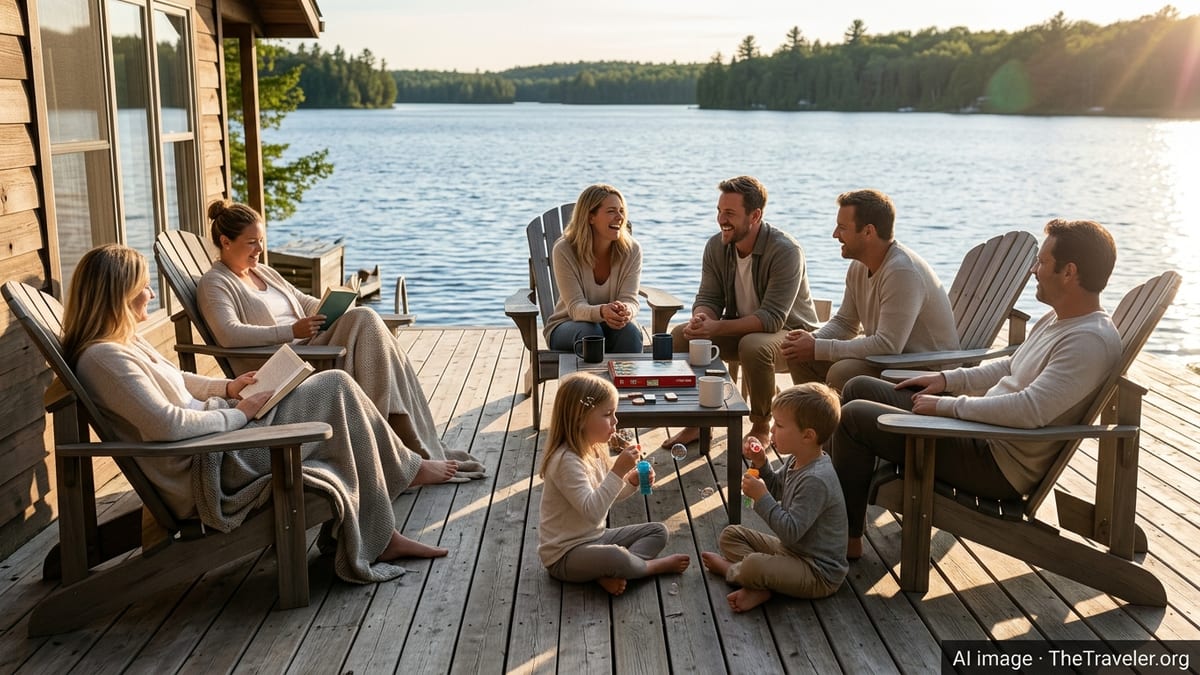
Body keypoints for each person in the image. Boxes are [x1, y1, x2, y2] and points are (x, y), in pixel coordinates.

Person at [62, 244, 461, 584]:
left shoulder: (121, 343)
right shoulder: (104, 358)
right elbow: (169, 424)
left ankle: (390, 507)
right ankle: (393, 501)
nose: (150, 293)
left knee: (334, 392)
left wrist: (227, 389)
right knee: (335, 387)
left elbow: (177, 378)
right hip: (215, 467)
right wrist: (241, 413)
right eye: (141, 287)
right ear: (115, 295)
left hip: (220, 440)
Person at [831, 219, 1122, 559]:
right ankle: (827, 502)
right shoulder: (1060, 319)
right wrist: (946, 381)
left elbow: (1030, 410)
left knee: (853, 418)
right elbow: (1011, 366)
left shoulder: (1088, 341)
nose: (1033, 270)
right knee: (858, 386)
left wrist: (946, 407)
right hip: (976, 433)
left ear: (1069, 272)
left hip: (995, 462)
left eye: (1042, 262)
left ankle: (843, 538)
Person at [196, 200, 483, 479]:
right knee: (366, 320)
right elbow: (229, 334)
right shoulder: (216, 282)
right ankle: (399, 453)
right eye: (251, 242)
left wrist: (333, 303)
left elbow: (302, 301)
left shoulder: (263, 272)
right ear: (226, 241)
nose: (260, 249)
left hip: (309, 351)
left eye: (261, 240)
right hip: (281, 368)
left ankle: (413, 447)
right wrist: (291, 332)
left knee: (366, 322)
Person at [663, 176, 820, 448]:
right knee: (682, 336)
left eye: (730, 214)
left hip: (790, 336)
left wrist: (717, 328)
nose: (721, 219)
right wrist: (702, 319)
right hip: (740, 329)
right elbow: (708, 297)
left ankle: (761, 424)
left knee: (754, 345)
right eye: (719, 211)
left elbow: (772, 319)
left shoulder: (785, 251)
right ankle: (697, 423)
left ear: (755, 215)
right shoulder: (716, 246)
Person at [782, 189, 959, 391]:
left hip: (925, 373)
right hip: (891, 362)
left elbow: (887, 345)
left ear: (868, 231)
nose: (835, 234)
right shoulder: (860, 265)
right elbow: (845, 323)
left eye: (842, 228)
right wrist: (811, 340)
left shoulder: (901, 271)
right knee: (799, 356)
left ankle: (835, 421)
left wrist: (818, 348)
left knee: (843, 372)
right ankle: (813, 419)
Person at [537, 373, 691, 595]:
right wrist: (618, 470)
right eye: (608, 414)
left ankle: (610, 572)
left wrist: (631, 481)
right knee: (615, 555)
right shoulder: (565, 461)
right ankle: (648, 567)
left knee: (658, 531)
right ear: (580, 418)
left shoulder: (593, 450)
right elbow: (593, 512)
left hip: (595, 538)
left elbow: (607, 494)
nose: (615, 421)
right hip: (564, 555)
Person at [701, 383, 848, 612]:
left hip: (817, 572)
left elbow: (790, 532)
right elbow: (778, 488)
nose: (771, 431)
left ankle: (735, 572)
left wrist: (761, 498)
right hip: (790, 552)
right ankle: (762, 582)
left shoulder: (816, 479)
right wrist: (762, 464)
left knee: (753, 564)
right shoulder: (797, 459)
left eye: (778, 425)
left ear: (807, 435)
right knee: (731, 534)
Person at [544, 184, 643, 354]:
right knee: (592, 334)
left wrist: (626, 311)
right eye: (611, 211)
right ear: (591, 217)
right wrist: (603, 312)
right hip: (567, 326)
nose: (620, 217)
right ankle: (590, 382)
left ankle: (626, 381)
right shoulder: (565, 249)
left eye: (621, 211)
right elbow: (575, 308)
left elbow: (631, 300)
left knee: (631, 332)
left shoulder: (631, 250)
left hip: (610, 326)